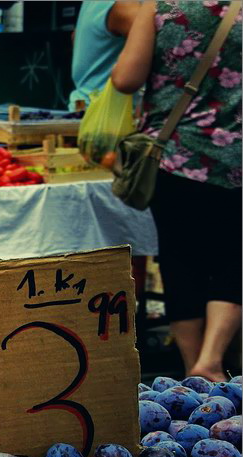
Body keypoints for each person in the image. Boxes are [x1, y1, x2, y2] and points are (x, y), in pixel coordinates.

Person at [112, 0, 242, 382]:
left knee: (179, 257)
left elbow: (125, 79)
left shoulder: (158, 7)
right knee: (233, 257)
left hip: (172, 157)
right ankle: (214, 358)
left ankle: (193, 370)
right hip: (235, 158)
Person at [70, 0, 142, 110]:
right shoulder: (124, 6)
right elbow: (164, 47)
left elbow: (75, 37)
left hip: (81, 104)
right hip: (105, 115)